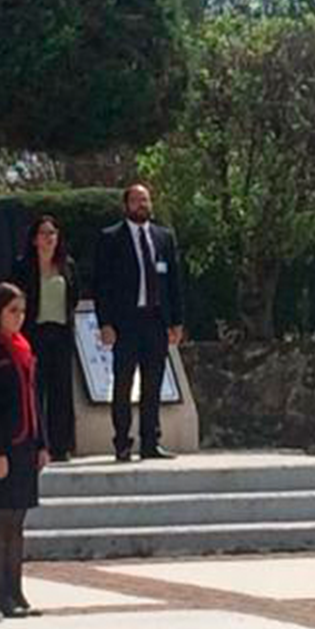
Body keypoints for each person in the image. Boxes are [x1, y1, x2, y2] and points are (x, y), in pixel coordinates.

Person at [92, 182, 185, 463]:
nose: (142, 205)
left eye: (145, 200)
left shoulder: (163, 237)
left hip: (155, 320)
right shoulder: (110, 238)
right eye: (136, 200)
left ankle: (150, 441)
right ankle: (122, 442)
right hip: (125, 322)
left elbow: (174, 283)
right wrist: (105, 323)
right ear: (126, 205)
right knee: (123, 383)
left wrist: (177, 321)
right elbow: (101, 285)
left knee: (153, 383)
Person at [0, 282, 47, 618]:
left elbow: (34, 398)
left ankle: (16, 589)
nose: (18, 317)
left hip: (25, 445)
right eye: (12, 311)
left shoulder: (23, 347)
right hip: (1, 447)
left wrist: (42, 442)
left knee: (17, 520)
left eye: (22, 311)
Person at [12, 213, 78, 461]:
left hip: (60, 333)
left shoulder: (67, 265)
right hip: (33, 334)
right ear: (34, 239)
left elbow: (74, 296)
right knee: (34, 390)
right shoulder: (22, 266)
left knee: (61, 391)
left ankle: (61, 445)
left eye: (52, 233)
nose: (49, 238)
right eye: (44, 233)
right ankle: (36, 444)